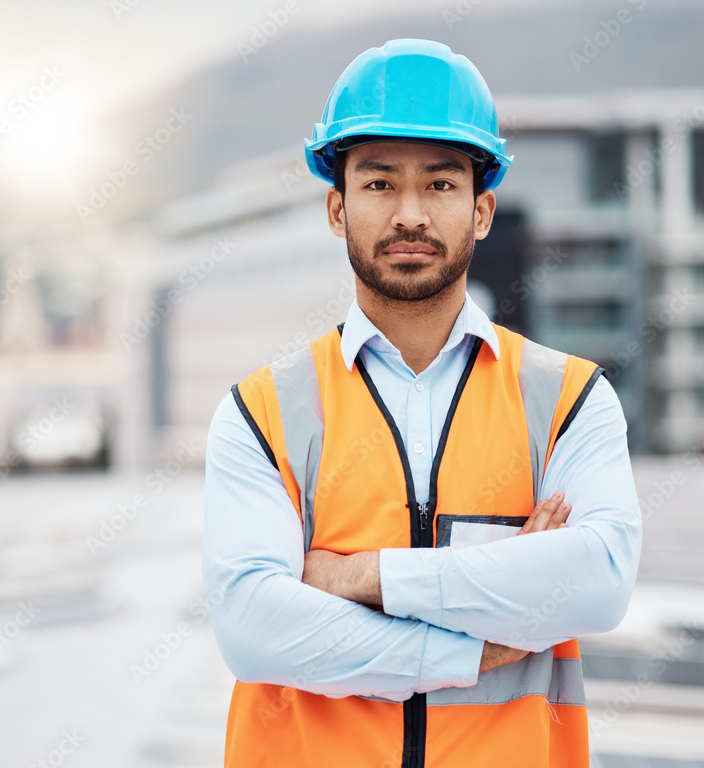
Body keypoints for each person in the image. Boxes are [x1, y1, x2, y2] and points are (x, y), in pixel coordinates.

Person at [202, 38, 642, 768]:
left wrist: (360, 576)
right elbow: (252, 628)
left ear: (483, 211)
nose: (410, 214)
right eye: (379, 185)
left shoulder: (570, 400)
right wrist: (476, 642)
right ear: (338, 209)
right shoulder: (261, 413)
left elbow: (597, 584)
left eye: (440, 185)